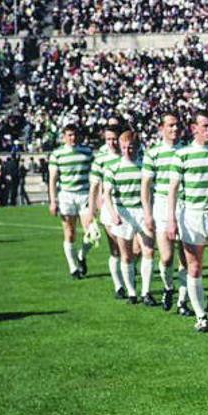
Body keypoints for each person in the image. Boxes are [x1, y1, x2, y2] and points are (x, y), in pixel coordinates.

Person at [167, 110, 208, 332]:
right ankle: (201, 315)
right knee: (194, 267)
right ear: (194, 129)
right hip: (191, 215)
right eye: (205, 126)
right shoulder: (182, 155)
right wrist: (171, 220)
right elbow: (173, 189)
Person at [142, 112, 192, 315]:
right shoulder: (152, 153)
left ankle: (182, 301)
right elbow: (145, 185)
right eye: (170, 125)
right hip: (162, 206)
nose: (174, 129)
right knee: (166, 257)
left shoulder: (187, 151)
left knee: (186, 257)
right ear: (161, 129)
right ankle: (168, 287)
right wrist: (147, 213)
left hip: (185, 206)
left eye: (177, 125)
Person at [104, 129, 158, 305]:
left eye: (131, 147)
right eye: (124, 147)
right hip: (123, 213)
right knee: (126, 256)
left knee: (148, 251)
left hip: (142, 211)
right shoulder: (113, 167)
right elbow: (107, 194)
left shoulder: (145, 166)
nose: (128, 151)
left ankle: (146, 292)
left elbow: (151, 191)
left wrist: (151, 212)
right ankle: (132, 293)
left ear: (138, 147)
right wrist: (113, 214)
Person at [47, 124, 94, 279]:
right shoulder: (57, 154)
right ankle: (73, 268)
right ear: (64, 137)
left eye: (74, 135)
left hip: (84, 195)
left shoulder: (87, 152)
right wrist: (53, 201)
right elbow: (53, 179)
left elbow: (95, 176)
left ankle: (81, 255)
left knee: (93, 233)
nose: (72, 138)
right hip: (66, 196)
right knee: (70, 233)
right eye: (69, 135)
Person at [90, 126, 125, 296]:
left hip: (130, 209)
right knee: (116, 249)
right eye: (108, 139)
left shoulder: (131, 156)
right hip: (109, 208)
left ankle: (128, 279)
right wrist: (92, 211)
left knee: (135, 250)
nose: (111, 143)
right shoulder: (101, 160)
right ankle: (119, 286)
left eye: (114, 139)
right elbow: (94, 186)